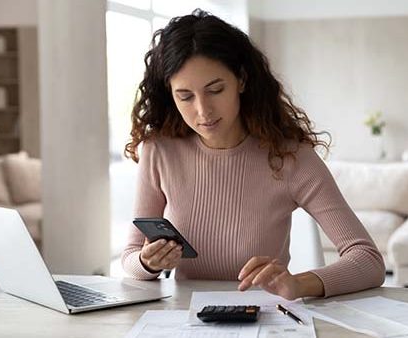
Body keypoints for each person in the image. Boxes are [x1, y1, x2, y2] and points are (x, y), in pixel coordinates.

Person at [122, 9, 385, 300]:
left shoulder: (290, 158)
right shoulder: (159, 151)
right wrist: (148, 262)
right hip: (183, 318)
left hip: (264, 318)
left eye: (216, 90)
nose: (203, 111)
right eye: (185, 96)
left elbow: (368, 260)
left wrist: (299, 284)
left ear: (242, 81)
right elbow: (131, 258)